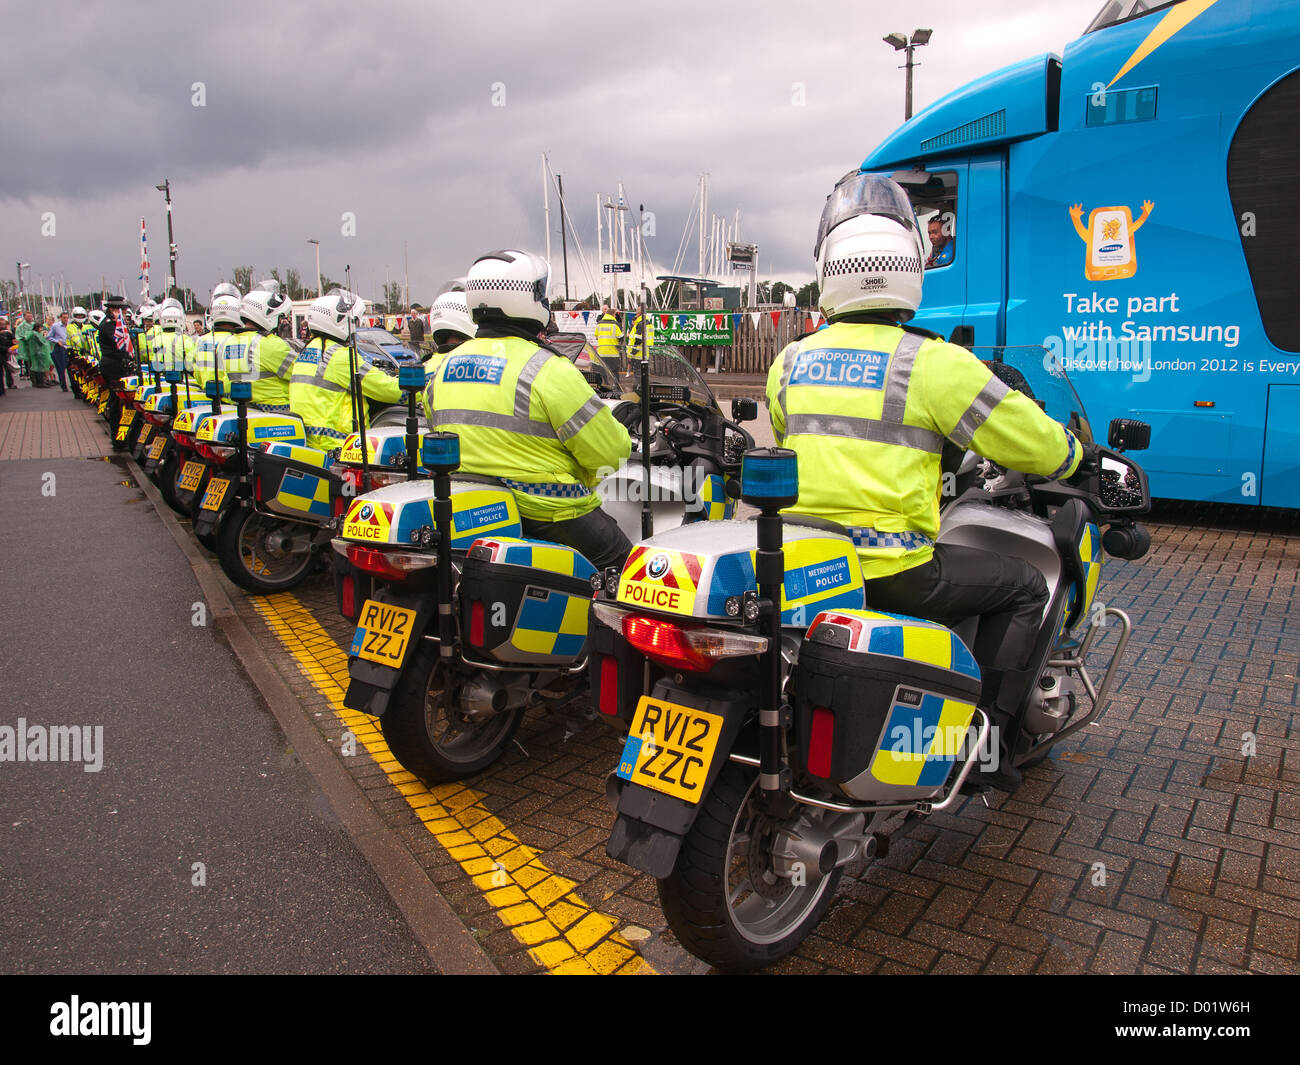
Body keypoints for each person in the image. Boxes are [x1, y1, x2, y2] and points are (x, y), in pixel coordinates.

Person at [766, 173, 1084, 775]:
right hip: (893, 568)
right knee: (1024, 586)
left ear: (829, 270)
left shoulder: (790, 361)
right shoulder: (931, 362)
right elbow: (1027, 437)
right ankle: (981, 743)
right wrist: (1077, 459)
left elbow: (791, 442)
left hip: (808, 563)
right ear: (908, 265)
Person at [426, 249, 633, 570]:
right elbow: (612, 454)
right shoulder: (548, 369)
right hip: (551, 513)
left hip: (472, 512)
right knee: (629, 573)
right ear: (527, 297)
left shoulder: (440, 369)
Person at [289, 291, 403, 453]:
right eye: (354, 322)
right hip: (339, 446)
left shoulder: (307, 352)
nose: (355, 328)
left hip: (311, 444)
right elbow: (386, 389)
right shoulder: (339, 356)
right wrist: (419, 387)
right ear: (338, 321)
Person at [224, 286, 296, 414]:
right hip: (277, 412)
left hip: (244, 410)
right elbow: (300, 373)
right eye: (280, 318)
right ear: (266, 314)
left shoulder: (230, 342)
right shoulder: (269, 344)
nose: (281, 323)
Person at [194, 284, 242, 398]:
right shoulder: (236, 341)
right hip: (230, 398)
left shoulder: (200, 340)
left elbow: (196, 374)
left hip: (207, 394)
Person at [20, 317, 54, 387]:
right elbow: (41, 342)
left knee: (39, 367)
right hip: (37, 353)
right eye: (40, 328)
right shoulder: (34, 334)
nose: (41, 329)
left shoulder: (35, 333)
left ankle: (41, 381)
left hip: (38, 352)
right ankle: (40, 382)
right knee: (39, 368)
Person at [49, 310, 71, 390]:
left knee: (71, 367)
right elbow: (49, 336)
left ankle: (73, 385)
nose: (66, 319)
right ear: (60, 318)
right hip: (60, 347)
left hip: (69, 347)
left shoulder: (70, 326)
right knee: (61, 368)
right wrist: (57, 341)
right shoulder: (55, 326)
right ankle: (63, 384)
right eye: (64, 318)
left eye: (67, 318)